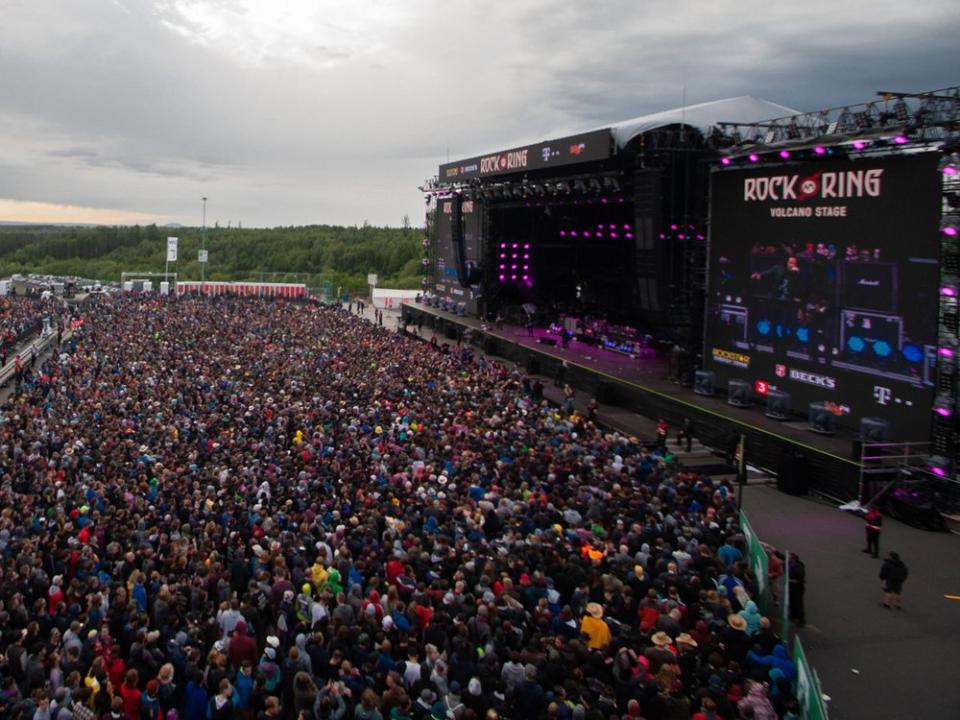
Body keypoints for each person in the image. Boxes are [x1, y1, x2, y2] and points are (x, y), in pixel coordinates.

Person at [787, 553, 806, 627]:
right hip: (795, 588)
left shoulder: (797, 568)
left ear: (793, 559)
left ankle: (801, 620)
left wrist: (788, 580)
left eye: (789, 558)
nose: (788, 559)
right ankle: (793, 615)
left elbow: (798, 580)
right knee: (793, 602)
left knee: (798, 604)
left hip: (797, 589)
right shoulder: (798, 565)